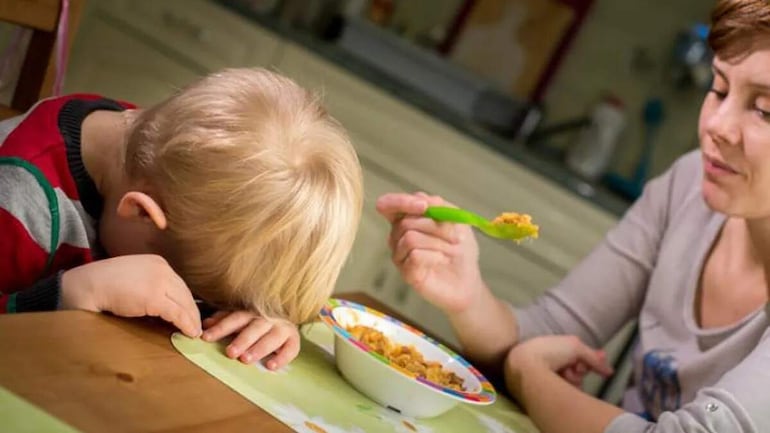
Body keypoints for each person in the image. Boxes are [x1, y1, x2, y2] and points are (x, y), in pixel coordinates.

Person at [376, 0, 770, 431]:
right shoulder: (687, 187)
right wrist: (466, 293)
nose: (718, 125)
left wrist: (529, 373)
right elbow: (545, 333)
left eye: (765, 110)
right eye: (719, 89)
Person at [0, 67, 363, 370]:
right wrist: (69, 294)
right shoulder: (20, 202)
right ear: (142, 211)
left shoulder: (169, 159)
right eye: (194, 290)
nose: (192, 300)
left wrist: (264, 315)